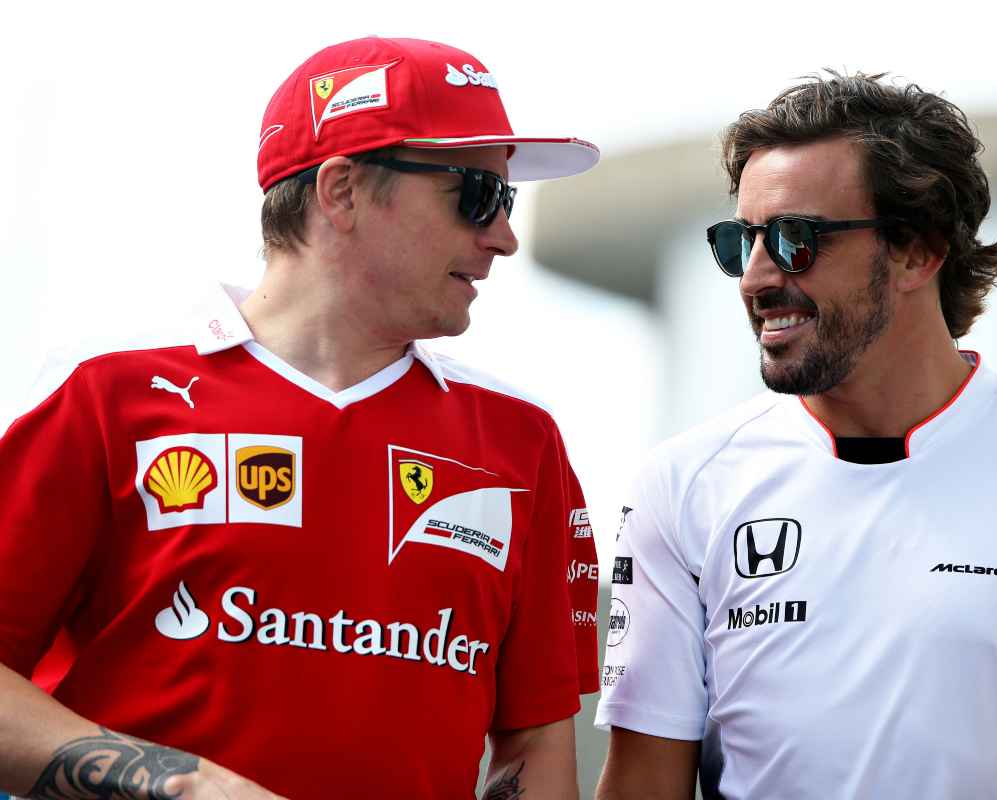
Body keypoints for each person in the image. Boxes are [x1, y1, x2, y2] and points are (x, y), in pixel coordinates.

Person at [0, 36, 601, 800]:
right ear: (342, 190)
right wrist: (184, 785)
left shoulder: (522, 439)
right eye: (477, 195)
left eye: (507, 201)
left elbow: (537, 746)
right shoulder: (108, 393)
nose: (505, 237)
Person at [594, 72, 997, 799]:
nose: (755, 277)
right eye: (740, 240)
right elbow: (641, 785)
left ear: (918, 251)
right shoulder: (681, 484)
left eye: (795, 240)